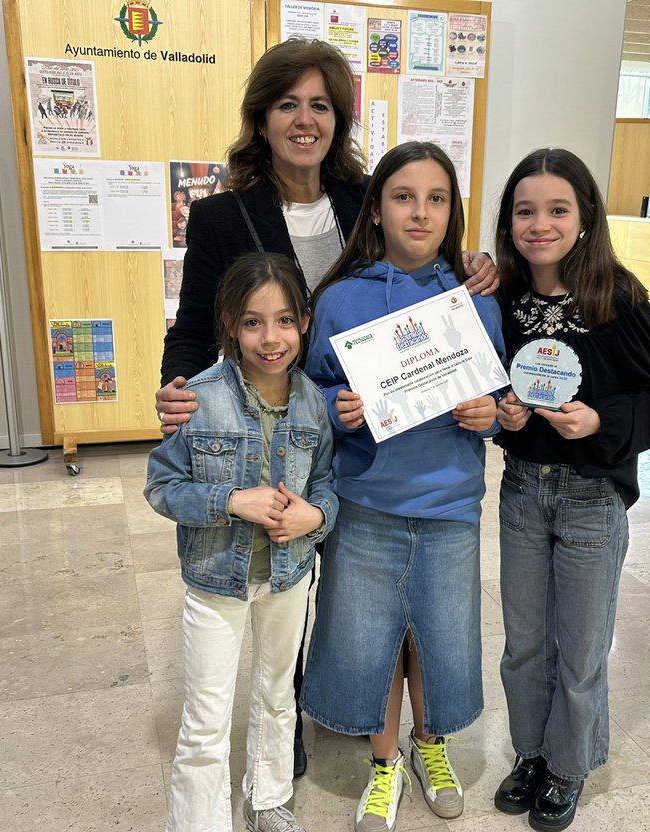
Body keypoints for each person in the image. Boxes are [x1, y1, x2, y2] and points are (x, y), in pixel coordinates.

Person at [153, 37, 498, 778]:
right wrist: (178, 386)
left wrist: (471, 261)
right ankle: (294, 719)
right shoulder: (221, 217)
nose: (304, 120)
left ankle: (347, 703)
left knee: (354, 581)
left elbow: (420, 251)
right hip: (277, 425)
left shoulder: (362, 197)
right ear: (263, 117)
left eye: (320, 106)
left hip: (368, 434)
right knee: (289, 574)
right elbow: (190, 326)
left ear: (339, 119)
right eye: (288, 105)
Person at [300, 141, 504, 832]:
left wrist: (492, 413)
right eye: (404, 196)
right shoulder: (340, 299)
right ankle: (384, 760)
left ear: (454, 211)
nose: (421, 212)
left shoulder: (478, 300)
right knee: (374, 641)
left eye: (437, 198)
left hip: (449, 503)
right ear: (377, 209)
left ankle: (431, 742)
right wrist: (336, 408)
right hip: (368, 501)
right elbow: (311, 387)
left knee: (438, 638)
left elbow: (506, 398)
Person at [490, 149, 650, 832]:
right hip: (521, 493)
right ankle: (531, 753)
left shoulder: (617, 300)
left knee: (581, 647)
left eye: (557, 209)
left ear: (585, 217)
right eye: (525, 211)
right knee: (524, 644)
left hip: (592, 498)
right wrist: (503, 417)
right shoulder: (503, 301)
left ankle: (568, 766)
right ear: (509, 222)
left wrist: (601, 420)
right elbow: (488, 388)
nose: (540, 224)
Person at [145, 253, 338, 832]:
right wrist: (230, 501)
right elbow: (160, 484)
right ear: (230, 324)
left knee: (277, 695)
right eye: (253, 322)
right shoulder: (196, 398)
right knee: (205, 715)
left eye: (285, 320)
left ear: (304, 323)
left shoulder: (315, 405)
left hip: (289, 577)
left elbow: (329, 488)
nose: (271, 337)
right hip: (214, 580)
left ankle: (268, 802)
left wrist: (314, 514)